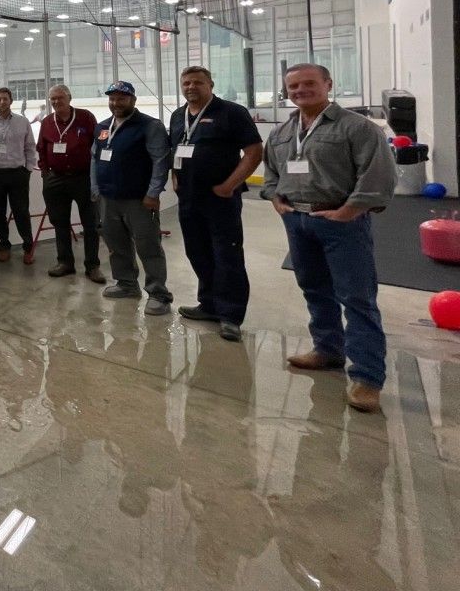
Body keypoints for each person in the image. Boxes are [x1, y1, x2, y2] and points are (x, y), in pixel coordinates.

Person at [262, 63, 396, 413]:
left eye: (309, 83)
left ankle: (367, 378)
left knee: (357, 298)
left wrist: (349, 211)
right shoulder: (281, 132)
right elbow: (272, 171)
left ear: (328, 84)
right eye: (293, 86)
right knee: (314, 289)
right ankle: (327, 350)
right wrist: (276, 198)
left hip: (341, 221)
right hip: (297, 220)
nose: (300, 90)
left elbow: (379, 173)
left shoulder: (357, 127)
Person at [168, 66, 264, 342]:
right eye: (186, 82)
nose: (191, 87)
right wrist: (175, 177)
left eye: (197, 82)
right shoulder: (178, 115)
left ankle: (230, 316)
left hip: (220, 199)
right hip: (188, 198)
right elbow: (175, 149)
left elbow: (254, 151)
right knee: (197, 252)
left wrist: (230, 185)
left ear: (210, 84)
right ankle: (208, 304)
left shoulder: (232, 113)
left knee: (227, 255)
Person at [91, 81, 173, 315]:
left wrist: (153, 192)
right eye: (112, 99)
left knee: (149, 246)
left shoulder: (150, 126)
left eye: (122, 99)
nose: (116, 103)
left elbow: (160, 161)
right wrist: (95, 188)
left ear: (133, 100)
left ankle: (159, 293)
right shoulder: (102, 127)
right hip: (108, 198)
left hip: (139, 199)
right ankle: (126, 283)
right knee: (116, 245)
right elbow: (94, 159)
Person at [36, 85, 103, 282]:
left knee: (90, 224)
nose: (56, 102)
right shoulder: (47, 122)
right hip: (56, 179)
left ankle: (92, 266)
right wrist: (46, 172)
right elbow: (41, 148)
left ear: (69, 98)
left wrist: (96, 174)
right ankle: (65, 262)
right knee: (60, 223)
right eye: (52, 99)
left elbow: (97, 145)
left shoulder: (86, 117)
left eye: (60, 98)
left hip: (83, 178)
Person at [0, 87, 37, 265]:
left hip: (17, 174)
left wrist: (28, 169)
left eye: (5, 99)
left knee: (21, 212)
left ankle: (28, 246)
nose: (2, 102)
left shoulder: (22, 121)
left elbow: (30, 146)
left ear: (11, 101)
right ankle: (4, 244)